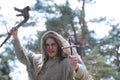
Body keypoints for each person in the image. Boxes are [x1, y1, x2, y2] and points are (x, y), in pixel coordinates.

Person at [10, 27, 93, 80]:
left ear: (58, 45)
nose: (50, 48)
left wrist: (76, 67)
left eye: (53, 44)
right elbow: (23, 56)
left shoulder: (67, 62)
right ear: (44, 47)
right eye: (47, 45)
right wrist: (15, 38)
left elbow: (84, 77)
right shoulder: (38, 60)